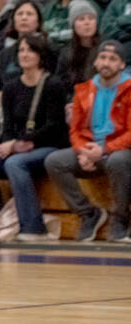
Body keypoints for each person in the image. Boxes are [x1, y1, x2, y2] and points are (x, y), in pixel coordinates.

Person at [44, 40, 131, 242]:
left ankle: (120, 219)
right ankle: (88, 214)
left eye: (112, 59)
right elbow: (75, 129)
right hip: (91, 151)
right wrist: (84, 151)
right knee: (54, 161)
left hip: (119, 151)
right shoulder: (84, 89)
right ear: (95, 62)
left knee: (118, 160)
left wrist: (103, 150)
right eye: (102, 57)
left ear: (121, 65)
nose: (106, 63)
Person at [0, 33, 69, 242]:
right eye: (21, 50)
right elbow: (8, 126)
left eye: (30, 50)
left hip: (49, 145)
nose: (24, 54)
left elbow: (55, 127)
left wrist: (19, 143)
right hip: (18, 145)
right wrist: (8, 144)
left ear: (41, 55)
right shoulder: (11, 87)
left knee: (15, 164)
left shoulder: (53, 84)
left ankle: (34, 227)